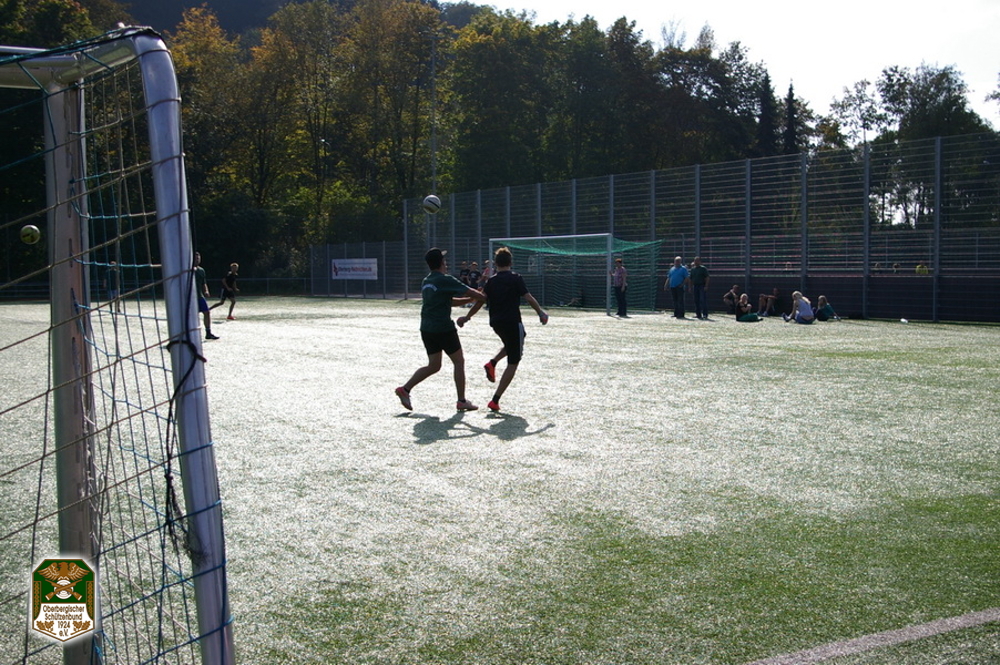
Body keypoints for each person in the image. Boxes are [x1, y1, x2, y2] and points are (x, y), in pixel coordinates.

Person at [395, 248, 487, 412]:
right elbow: (476, 294)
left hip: (426, 329)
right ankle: (461, 401)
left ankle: (405, 389)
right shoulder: (446, 279)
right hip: (443, 328)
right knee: (459, 362)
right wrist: (480, 296)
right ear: (442, 262)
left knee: (434, 365)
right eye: (444, 260)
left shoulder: (427, 281)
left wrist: (470, 299)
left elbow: (447, 301)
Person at [457, 246, 548, 413]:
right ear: (510, 262)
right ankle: (495, 400)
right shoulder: (515, 278)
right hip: (512, 322)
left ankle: (492, 363)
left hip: (496, 323)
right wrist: (541, 313)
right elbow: (528, 297)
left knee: (514, 342)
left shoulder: (491, 281)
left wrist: (467, 317)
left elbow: (480, 301)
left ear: (496, 264)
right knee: (514, 361)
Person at [194, 252, 219, 340]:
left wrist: (206, 290)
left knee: (206, 312)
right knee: (192, 315)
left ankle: (208, 332)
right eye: (195, 258)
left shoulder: (201, 270)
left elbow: (203, 283)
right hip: (190, 297)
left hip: (199, 296)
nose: (197, 260)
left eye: (198, 258)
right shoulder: (188, 270)